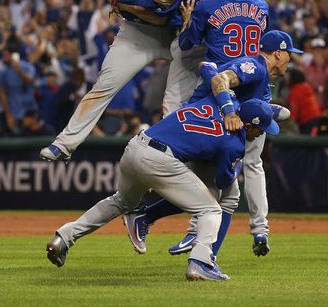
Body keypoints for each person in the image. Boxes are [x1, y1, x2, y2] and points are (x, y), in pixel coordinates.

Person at [40, 0, 213, 162]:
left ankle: (182, 156)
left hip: (178, 31)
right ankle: (64, 143)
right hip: (138, 32)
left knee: (207, 78)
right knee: (105, 85)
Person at [45, 97, 280, 281]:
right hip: (160, 159)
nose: (262, 134)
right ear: (248, 125)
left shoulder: (216, 100)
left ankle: (64, 237)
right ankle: (200, 263)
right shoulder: (234, 143)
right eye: (260, 129)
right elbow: (220, 182)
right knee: (211, 209)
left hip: (136, 146)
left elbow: (211, 74)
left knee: (121, 201)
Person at [124, 30, 300, 258]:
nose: (291, 59)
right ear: (278, 53)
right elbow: (215, 74)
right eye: (289, 54)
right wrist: (229, 111)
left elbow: (212, 70)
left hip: (206, 130)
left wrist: (272, 111)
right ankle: (203, 255)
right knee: (221, 194)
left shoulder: (261, 79)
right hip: (203, 128)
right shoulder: (254, 67)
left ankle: (151, 219)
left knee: (211, 191)